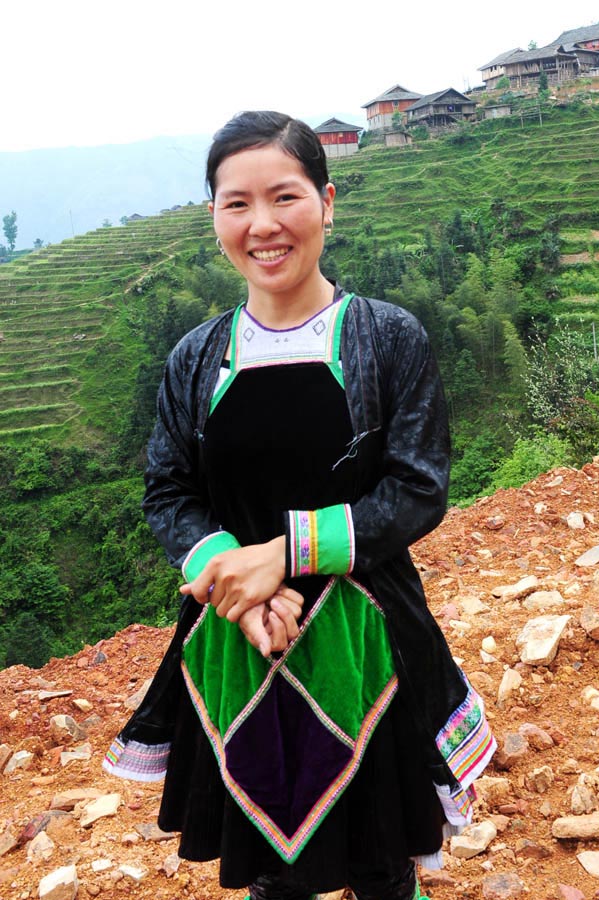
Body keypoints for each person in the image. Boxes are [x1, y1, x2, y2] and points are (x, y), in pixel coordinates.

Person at [104, 111, 495, 900]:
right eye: (237, 203)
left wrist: (280, 558)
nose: (262, 224)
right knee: (271, 867)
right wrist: (236, 585)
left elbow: (417, 487)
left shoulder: (386, 338)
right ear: (214, 216)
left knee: (380, 859)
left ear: (326, 201)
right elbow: (169, 490)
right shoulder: (197, 358)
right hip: (238, 637)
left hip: (364, 638)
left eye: (284, 196)